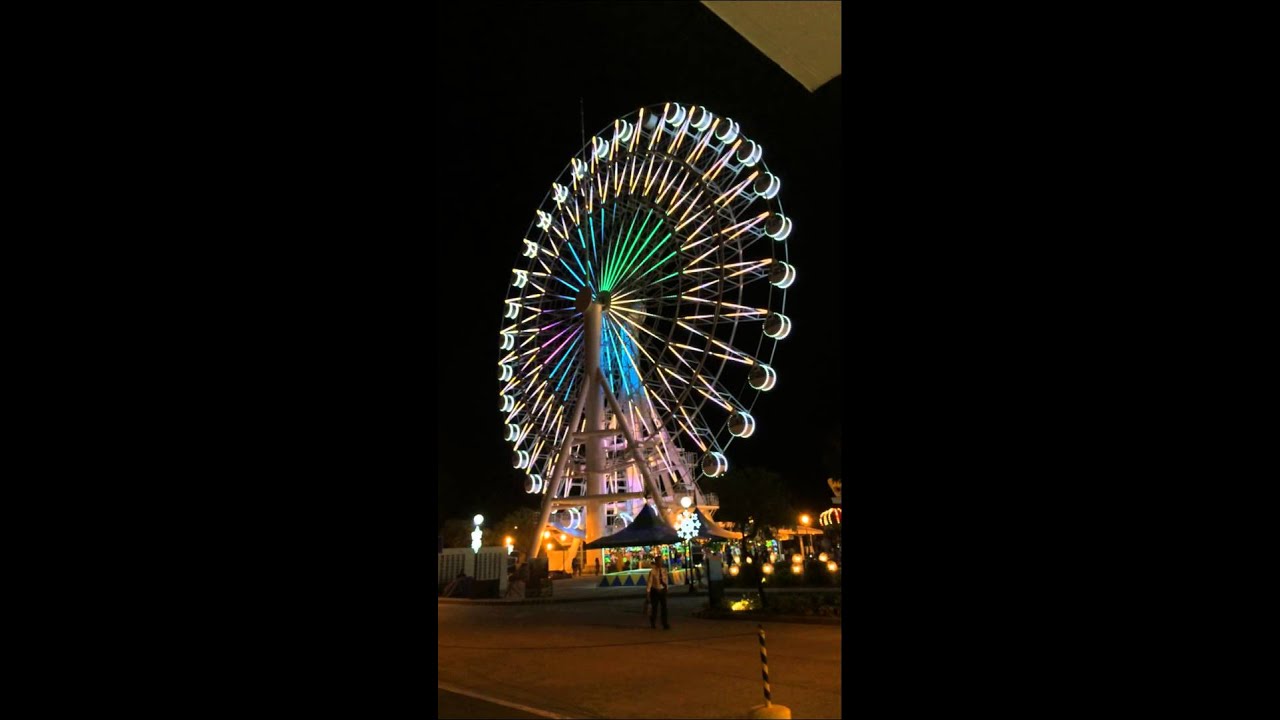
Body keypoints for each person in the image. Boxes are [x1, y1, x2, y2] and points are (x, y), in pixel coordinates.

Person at [646, 555, 671, 630]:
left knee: (664, 608)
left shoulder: (664, 570)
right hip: (655, 591)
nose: (661, 563)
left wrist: (666, 589)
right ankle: (653, 621)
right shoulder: (652, 571)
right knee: (655, 608)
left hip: (662, 590)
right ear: (656, 562)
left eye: (661, 561)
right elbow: (650, 582)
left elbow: (666, 580)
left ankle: (665, 623)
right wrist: (648, 592)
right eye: (659, 561)